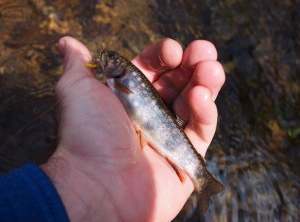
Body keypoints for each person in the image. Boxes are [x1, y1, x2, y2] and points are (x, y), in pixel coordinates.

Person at [0, 36, 225, 222]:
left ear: (119, 68)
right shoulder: (116, 81)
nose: (105, 58)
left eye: (110, 58)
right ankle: (202, 178)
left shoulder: (119, 80)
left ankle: (202, 179)